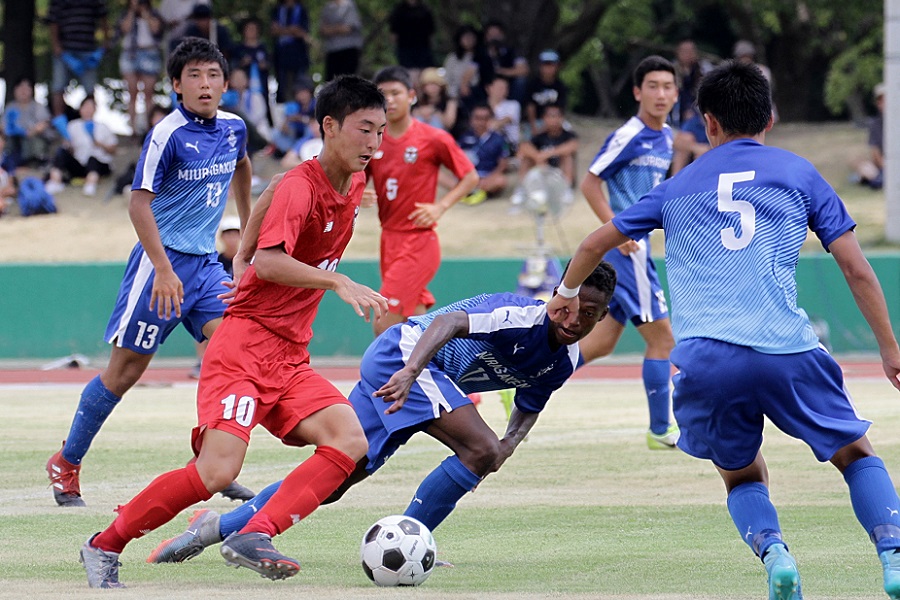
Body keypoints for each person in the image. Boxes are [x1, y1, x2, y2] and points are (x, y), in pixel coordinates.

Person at [548, 59, 900, 600]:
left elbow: (594, 242)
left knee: (741, 474)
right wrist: (889, 348)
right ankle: (893, 556)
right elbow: (856, 268)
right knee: (856, 455)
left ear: (707, 124)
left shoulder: (677, 186)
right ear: (771, 118)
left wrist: (567, 296)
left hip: (705, 357)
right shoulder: (800, 173)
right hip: (789, 349)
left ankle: (776, 553)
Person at [79, 74, 389, 589]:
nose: (375, 144)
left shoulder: (352, 182)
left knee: (349, 440)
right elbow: (272, 260)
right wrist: (327, 278)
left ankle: (254, 533)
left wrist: (240, 254)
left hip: (288, 356)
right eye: (365, 130)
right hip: (243, 350)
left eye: (381, 132)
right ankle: (105, 543)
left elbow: (264, 199)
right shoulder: (300, 187)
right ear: (330, 127)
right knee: (216, 473)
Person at [146, 264, 617, 565]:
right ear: (557, 293)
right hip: (407, 358)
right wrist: (413, 371)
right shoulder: (519, 313)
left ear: (602, 316)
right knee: (480, 449)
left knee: (339, 477)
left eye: (588, 314)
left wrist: (511, 445)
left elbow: (531, 405)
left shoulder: (562, 361)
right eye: (569, 306)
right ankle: (414, 543)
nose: (573, 320)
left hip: (414, 373)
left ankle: (215, 528)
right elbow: (447, 322)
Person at [45, 38, 253, 508]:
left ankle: (210, 460)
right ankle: (67, 461)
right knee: (123, 373)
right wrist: (161, 269)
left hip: (204, 266)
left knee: (234, 350)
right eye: (195, 76)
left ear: (225, 83)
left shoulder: (236, 128)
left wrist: (244, 239)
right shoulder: (167, 134)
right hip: (159, 266)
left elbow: (243, 168)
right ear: (177, 85)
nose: (205, 84)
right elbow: (138, 202)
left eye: (213, 75)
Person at [577, 56, 679, 450]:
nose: (661, 94)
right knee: (663, 340)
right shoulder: (630, 134)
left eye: (668, 87)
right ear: (637, 92)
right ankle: (660, 430)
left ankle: (522, 380)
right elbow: (589, 183)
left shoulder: (666, 137)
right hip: (626, 251)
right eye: (652, 86)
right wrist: (615, 231)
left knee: (600, 344)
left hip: (638, 248)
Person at [365, 66, 478, 336]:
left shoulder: (433, 138)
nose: (390, 100)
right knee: (414, 321)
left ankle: (380, 378)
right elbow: (355, 178)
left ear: (412, 96)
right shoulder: (371, 141)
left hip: (418, 241)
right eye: (383, 94)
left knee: (384, 320)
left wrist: (440, 206)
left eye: (396, 93)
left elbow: (470, 177)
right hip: (388, 239)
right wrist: (355, 194)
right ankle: (428, 373)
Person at [190, 215, 242, 378]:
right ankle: (202, 362)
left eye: (235, 233)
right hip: (219, 305)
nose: (231, 238)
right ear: (221, 237)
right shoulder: (215, 261)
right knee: (202, 322)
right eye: (228, 234)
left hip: (241, 306)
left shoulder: (246, 261)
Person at [47, 0, 110, 116]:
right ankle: (58, 121)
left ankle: (90, 121)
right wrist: (56, 46)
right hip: (65, 50)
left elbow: (103, 17)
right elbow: (53, 22)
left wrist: (105, 44)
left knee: (90, 88)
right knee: (58, 87)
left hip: (88, 50)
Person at [44, 96, 117, 197]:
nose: (88, 110)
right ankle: (55, 181)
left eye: (91, 107)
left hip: (99, 163)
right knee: (61, 152)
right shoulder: (72, 126)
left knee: (92, 159)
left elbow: (113, 149)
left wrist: (100, 144)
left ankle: (90, 185)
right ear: (80, 109)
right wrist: (68, 145)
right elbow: (69, 149)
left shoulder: (103, 127)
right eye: (85, 107)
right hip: (80, 164)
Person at [117, 0, 164, 136]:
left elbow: (156, 29)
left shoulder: (153, 13)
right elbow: (124, 29)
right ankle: (133, 130)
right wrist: (132, 10)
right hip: (130, 53)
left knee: (148, 93)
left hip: (149, 52)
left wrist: (145, 13)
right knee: (132, 93)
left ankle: (150, 128)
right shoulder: (126, 13)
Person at [670, 39, 713, 174]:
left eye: (690, 51)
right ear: (678, 53)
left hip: (701, 121)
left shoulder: (704, 70)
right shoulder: (671, 72)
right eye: (684, 51)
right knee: (687, 140)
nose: (687, 54)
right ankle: (674, 184)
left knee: (699, 149)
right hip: (676, 123)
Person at [515, 103, 578, 190]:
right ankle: (524, 188)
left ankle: (566, 189)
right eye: (550, 116)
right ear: (544, 118)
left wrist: (548, 153)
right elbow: (524, 147)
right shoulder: (539, 137)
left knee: (567, 157)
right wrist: (537, 156)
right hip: (543, 169)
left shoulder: (568, 135)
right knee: (526, 159)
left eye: (556, 116)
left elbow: (572, 146)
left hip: (559, 171)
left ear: (562, 118)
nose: (554, 119)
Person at [457, 103, 509, 205]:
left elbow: (503, 164)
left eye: (485, 118)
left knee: (501, 181)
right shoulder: (464, 137)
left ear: (490, 120)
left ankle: (471, 192)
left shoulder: (499, 139)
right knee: (440, 175)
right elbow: (456, 159)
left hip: (486, 176)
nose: (481, 122)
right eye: (477, 118)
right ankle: (470, 190)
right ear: (471, 119)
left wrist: (490, 177)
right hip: (468, 176)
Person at [2, 76, 53, 168]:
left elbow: (43, 125)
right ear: (15, 90)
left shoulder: (38, 107)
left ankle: (34, 165)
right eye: (20, 88)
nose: (23, 91)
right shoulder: (10, 107)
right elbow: (3, 125)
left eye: (26, 88)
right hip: (13, 140)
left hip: (34, 140)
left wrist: (30, 132)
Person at [271, 0, 311, 103]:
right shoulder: (278, 9)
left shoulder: (301, 9)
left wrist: (282, 30)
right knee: (283, 87)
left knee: (300, 85)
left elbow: (302, 32)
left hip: (299, 56)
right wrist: (291, 30)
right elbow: (274, 31)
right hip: (281, 56)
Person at [483, 21, 529, 104]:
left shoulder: (513, 51)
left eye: (497, 35)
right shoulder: (480, 53)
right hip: (486, 86)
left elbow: (523, 70)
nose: (494, 38)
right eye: (491, 35)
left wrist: (503, 71)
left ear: (502, 35)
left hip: (510, 86)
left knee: (521, 81)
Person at [525, 50, 568, 137]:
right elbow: (530, 106)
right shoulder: (532, 84)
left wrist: (550, 124)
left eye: (551, 65)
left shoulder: (560, 86)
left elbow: (560, 109)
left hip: (554, 120)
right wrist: (534, 127)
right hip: (536, 121)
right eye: (545, 65)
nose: (548, 68)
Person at [319, 0, 364, 81]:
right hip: (332, 50)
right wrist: (338, 28)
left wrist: (331, 29)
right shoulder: (328, 7)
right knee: (331, 81)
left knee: (348, 81)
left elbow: (348, 29)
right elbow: (323, 30)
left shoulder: (349, 5)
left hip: (349, 49)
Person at [388, 0, 436, 75]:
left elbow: (431, 30)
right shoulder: (399, 10)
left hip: (422, 46)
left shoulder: (425, 9)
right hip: (405, 47)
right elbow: (394, 30)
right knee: (409, 72)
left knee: (423, 72)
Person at [853, 82, 885, 190]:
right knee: (866, 168)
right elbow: (875, 153)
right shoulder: (875, 124)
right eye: (882, 101)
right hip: (884, 166)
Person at [412, 67, 459, 133]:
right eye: (429, 84)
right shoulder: (419, 101)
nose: (433, 87)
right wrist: (421, 112)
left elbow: (449, 123)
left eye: (436, 84)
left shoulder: (449, 101)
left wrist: (434, 112)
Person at [486, 76, 521, 152]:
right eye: (499, 87)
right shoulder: (482, 106)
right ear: (489, 88)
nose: (503, 90)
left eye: (505, 88)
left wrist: (492, 124)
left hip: (509, 145)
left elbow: (497, 124)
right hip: (486, 145)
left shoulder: (513, 104)